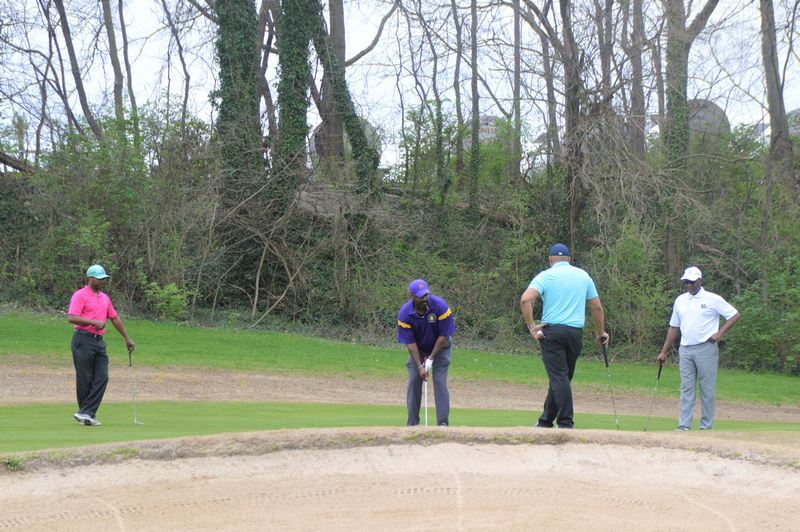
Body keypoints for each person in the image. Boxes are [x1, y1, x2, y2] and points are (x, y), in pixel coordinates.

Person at [520, 244, 608, 429]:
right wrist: (600, 333)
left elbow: (526, 300)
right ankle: (545, 421)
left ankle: (566, 423)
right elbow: (597, 308)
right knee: (562, 377)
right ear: (569, 259)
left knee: (559, 377)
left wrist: (532, 326)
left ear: (550, 259)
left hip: (552, 333)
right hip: (575, 334)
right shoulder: (583, 276)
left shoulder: (546, 275)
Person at [657, 266, 739, 431]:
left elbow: (734, 315)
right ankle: (684, 425)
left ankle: (706, 426)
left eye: (692, 282)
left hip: (706, 349)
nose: (689, 285)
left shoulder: (712, 299)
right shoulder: (680, 300)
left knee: (707, 390)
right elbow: (674, 327)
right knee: (686, 389)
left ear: (700, 281)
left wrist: (720, 333)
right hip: (685, 350)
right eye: (686, 282)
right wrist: (664, 351)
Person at [67, 264, 135, 426]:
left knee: (102, 377)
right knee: (85, 378)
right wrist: (93, 322)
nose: (103, 281)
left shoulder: (104, 298)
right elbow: (72, 317)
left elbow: (115, 318)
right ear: (90, 278)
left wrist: (127, 338)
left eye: (104, 279)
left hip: (98, 342)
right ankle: (87, 415)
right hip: (82, 340)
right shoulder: (80, 295)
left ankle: (85, 412)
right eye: (99, 279)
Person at [397, 279, 456, 426]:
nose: (424, 299)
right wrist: (420, 366)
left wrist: (430, 359)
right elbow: (410, 344)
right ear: (411, 296)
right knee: (414, 381)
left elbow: (443, 336)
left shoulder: (441, 307)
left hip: (440, 348)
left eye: (425, 295)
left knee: (439, 382)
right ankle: (412, 425)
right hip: (418, 349)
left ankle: (442, 424)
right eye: (419, 296)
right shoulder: (405, 314)